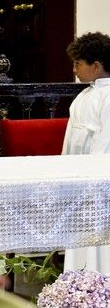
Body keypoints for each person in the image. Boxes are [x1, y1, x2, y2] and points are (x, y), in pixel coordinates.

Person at [62, 32, 110, 273]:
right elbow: (70, 138)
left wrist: (92, 174)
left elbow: (105, 140)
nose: (74, 69)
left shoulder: (108, 96)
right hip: (77, 176)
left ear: (97, 66)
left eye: (78, 63)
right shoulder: (83, 96)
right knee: (79, 232)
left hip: (98, 179)